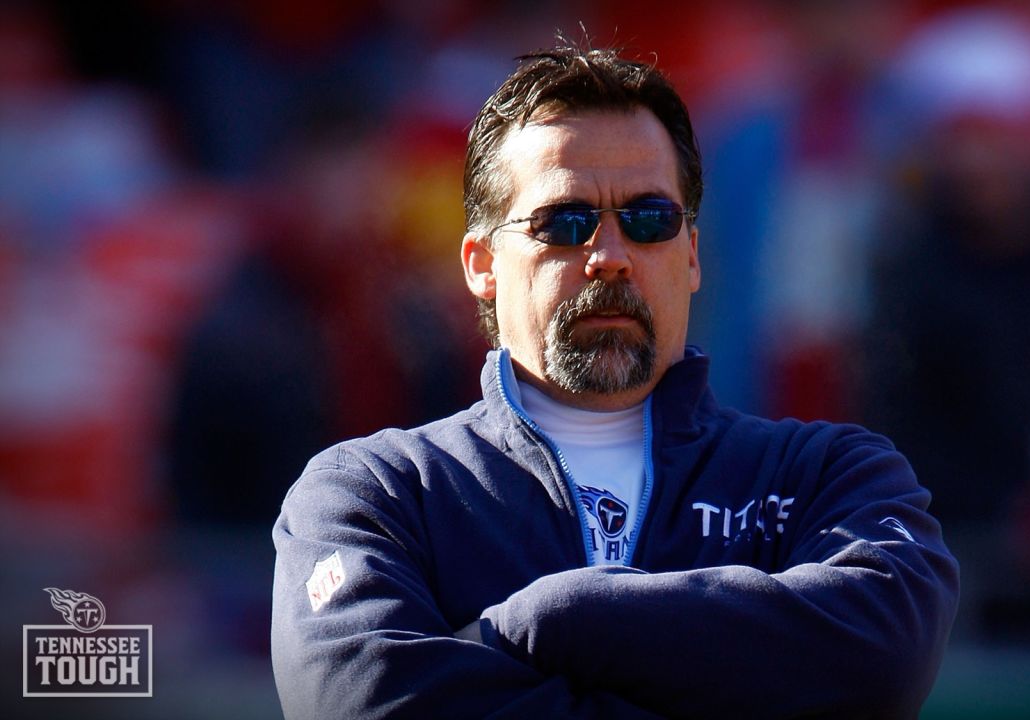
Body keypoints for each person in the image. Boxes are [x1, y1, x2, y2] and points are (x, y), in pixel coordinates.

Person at [271, 40, 958, 719]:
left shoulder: (826, 476)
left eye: (649, 219)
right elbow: (362, 700)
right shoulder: (373, 492)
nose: (610, 256)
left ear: (691, 253)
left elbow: (885, 654)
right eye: (564, 222)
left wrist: (542, 621)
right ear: (480, 263)